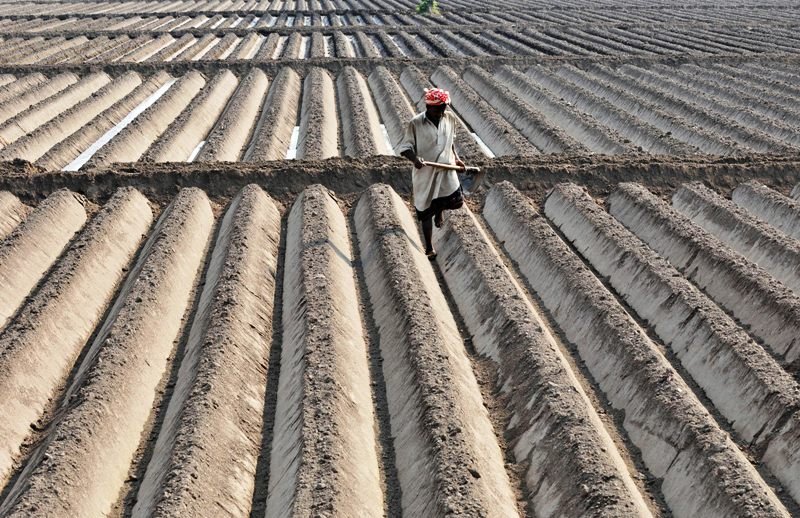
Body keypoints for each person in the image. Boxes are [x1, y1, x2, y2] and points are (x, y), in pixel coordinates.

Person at [396, 87, 465, 260]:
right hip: (425, 172)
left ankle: (440, 209)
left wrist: (456, 159)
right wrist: (415, 160)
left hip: (446, 169)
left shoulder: (450, 118)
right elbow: (405, 148)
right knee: (425, 210)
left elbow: (451, 141)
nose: (442, 111)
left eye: (444, 108)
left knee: (456, 201)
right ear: (428, 107)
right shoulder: (416, 123)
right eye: (438, 108)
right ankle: (429, 247)